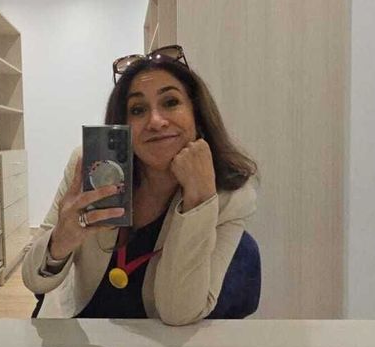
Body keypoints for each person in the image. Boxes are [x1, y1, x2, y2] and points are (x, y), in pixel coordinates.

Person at [22, 45, 258, 325]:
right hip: (82, 331)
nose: (155, 121)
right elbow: (34, 280)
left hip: (161, 342)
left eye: (170, 102)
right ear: (123, 124)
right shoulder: (91, 169)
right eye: (137, 109)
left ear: (197, 114)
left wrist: (198, 201)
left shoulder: (230, 197)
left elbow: (178, 313)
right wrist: (59, 242)